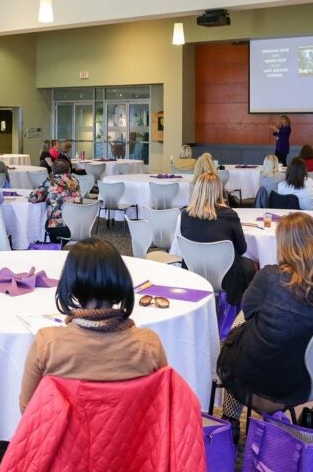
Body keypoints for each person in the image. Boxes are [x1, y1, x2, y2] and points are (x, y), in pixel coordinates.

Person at [217, 212, 313, 440]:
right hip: (302, 376)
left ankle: (230, 419)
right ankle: (269, 426)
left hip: (255, 373)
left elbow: (248, 311)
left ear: (285, 246)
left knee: (240, 328)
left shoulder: (269, 277)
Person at [20, 238, 167, 411]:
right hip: (131, 437)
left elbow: (28, 410)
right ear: (122, 279)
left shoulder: (47, 343)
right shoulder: (148, 344)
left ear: (70, 284)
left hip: (66, 438)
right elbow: (162, 407)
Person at [179, 173, 257, 305]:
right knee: (250, 265)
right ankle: (238, 314)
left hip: (193, 271)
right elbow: (242, 249)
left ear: (197, 190)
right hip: (227, 276)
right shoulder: (229, 215)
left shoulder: (185, 215)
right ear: (218, 191)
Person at [28, 158, 82, 242]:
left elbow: (32, 198)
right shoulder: (75, 181)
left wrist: (46, 192)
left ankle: (57, 247)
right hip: (77, 224)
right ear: (69, 169)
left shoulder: (50, 181)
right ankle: (62, 245)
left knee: (47, 224)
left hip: (58, 226)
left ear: (53, 170)